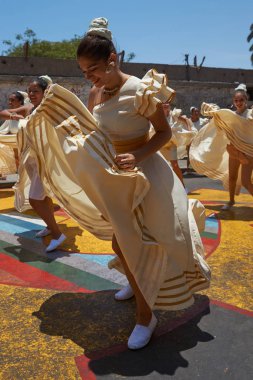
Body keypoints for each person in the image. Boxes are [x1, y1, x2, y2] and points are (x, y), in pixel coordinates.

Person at [24, 17, 210, 350]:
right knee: (119, 244)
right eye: (83, 71)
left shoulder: (141, 90)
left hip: (144, 175)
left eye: (93, 68)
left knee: (136, 242)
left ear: (113, 59)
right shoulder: (96, 91)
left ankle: (145, 315)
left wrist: (137, 155)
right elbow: (94, 131)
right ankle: (137, 283)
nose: (88, 77)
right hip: (111, 177)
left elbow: (164, 133)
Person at [14, 76, 66, 252]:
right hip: (33, 161)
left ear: (45, 92)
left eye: (35, 91)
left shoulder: (49, 110)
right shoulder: (32, 108)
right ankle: (50, 227)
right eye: (29, 91)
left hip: (45, 161)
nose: (31, 94)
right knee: (44, 197)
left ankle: (58, 235)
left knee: (35, 199)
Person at [190, 85, 253, 210]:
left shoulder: (250, 113)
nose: (239, 103)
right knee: (232, 177)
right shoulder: (230, 115)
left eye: (241, 100)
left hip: (248, 151)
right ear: (233, 102)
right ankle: (231, 201)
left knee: (246, 181)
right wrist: (216, 114)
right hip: (234, 150)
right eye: (236, 100)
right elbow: (222, 126)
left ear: (246, 100)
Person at [160, 101, 194, 186]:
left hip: (171, 143)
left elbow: (186, 120)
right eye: (163, 103)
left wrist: (190, 131)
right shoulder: (157, 115)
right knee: (159, 166)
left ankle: (182, 186)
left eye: (167, 103)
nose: (165, 105)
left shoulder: (174, 115)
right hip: (159, 144)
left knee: (175, 165)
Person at [0, 91, 30, 178]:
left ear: (20, 101)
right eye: (9, 100)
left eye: (12, 100)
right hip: (14, 141)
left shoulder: (27, 111)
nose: (10, 103)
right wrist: (12, 116)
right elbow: (5, 129)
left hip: (26, 142)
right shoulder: (10, 115)